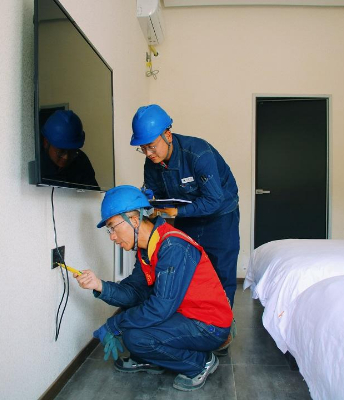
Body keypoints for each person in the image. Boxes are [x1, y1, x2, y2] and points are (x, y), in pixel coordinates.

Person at [73, 185, 232, 391]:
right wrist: (99, 285)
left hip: (209, 325)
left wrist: (115, 324)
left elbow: (160, 308)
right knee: (135, 312)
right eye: (109, 230)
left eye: (113, 227)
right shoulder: (147, 249)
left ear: (134, 220)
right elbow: (134, 293)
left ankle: (200, 363)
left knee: (136, 338)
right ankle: (155, 358)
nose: (112, 236)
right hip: (184, 314)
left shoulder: (172, 247)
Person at [130, 104, 240, 309]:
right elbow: (156, 194)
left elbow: (213, 200)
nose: (148, 153)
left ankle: (223, 322)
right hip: (187, 215)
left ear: (167, 135)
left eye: (151, 146)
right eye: (142, 148)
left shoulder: (198, 154)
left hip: (220, 215)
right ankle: (195, 318)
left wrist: (177, 212)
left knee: (221, 270)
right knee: (188, 267)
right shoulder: (152, 163)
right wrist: (147, 200)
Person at [41, 109, 99, 189]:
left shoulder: (81, 160)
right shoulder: (37, 165)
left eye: (72, 151)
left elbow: (93, 192)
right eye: (61, 151)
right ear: (46, 143)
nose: (66, 157)